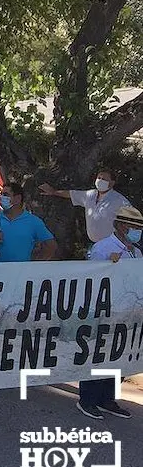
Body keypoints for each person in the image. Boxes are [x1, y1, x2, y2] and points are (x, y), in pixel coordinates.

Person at [77, 205, 143, 420]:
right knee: (98, 355)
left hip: (127, 312)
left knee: (117, 354)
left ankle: (107, 398)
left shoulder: (136, 251)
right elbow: (91, 276)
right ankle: (87, 399)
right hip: (104, 310)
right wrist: (108, 265)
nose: (137, 231)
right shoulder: (103, 247)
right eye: (134, 226)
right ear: (122, 226)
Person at [39, 168, 130, 245]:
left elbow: (132, 220)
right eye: (99, 178)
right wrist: (54, 192)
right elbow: (71, 194)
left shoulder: (119, 200)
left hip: (114, 245)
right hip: (95, 244)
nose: (100, 181)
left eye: (104, 179)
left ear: (112, 183)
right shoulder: (90, 195)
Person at [0, 182, 57, 262]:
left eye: (5, 195)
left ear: (17, 199)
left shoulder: (33, 221)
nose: (1, 197)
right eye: (1, 194)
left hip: (22, 272)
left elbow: (51, 245)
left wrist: (38, 264)